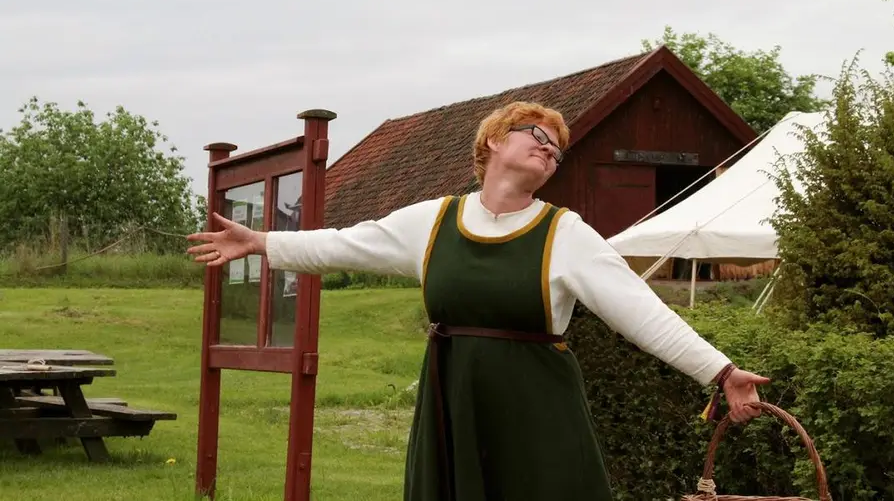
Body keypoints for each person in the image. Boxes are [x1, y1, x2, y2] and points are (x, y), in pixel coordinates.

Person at [187, 101, 769, 501]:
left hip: (538, 411)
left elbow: (642, 313)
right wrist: (261, 241)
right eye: (537, 136)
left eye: (558, 150)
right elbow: (345, 243)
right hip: (452, 401)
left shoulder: (565, 233)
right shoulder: (435, 220)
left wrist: (719, 372)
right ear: (493, 141)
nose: (550, 150)